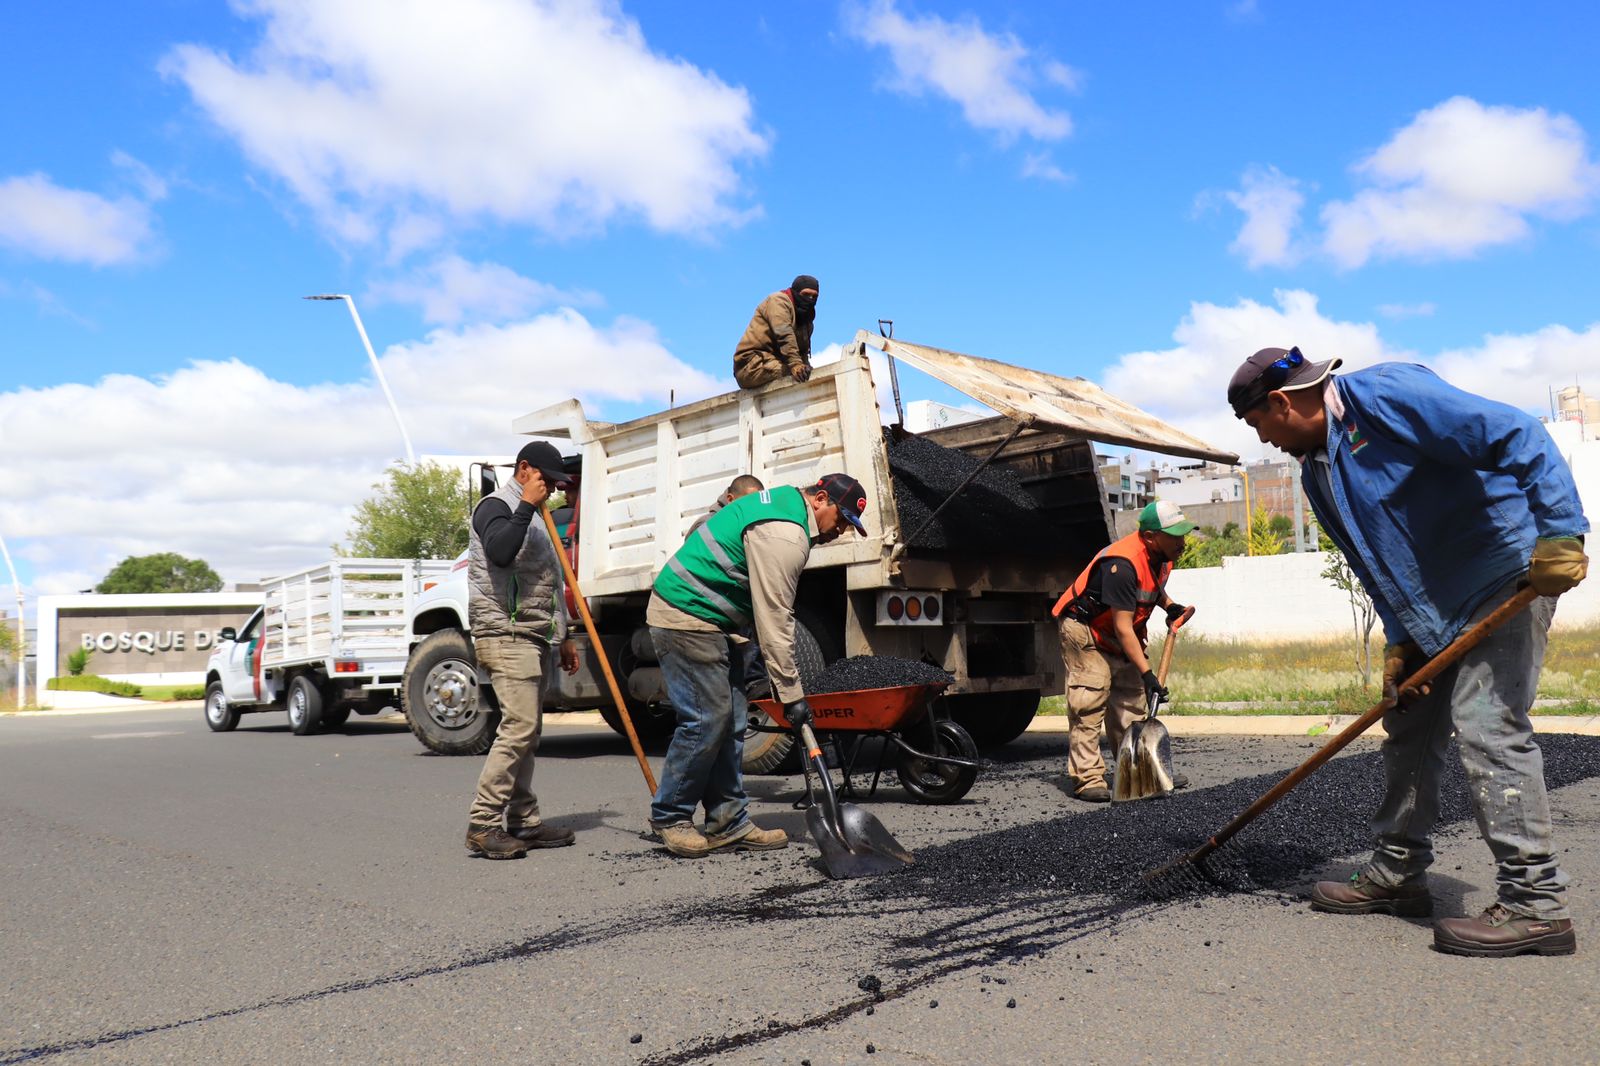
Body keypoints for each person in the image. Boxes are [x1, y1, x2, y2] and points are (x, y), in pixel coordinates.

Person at [1227, 345, 1589, 957]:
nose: (1262, 439)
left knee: (1487, 725)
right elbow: (1372, 562)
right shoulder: (1318, 470)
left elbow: (1516, 433)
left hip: (1502, 577)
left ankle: (1536, 906)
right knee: (1410, 728)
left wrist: (1560, 530)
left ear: (1281, 402)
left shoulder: (1386, 395)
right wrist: (1400, 642)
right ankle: (1398, 875)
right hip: (1429, 610)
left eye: (1255, 422)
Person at [645, 473, 867, 857]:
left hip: (714, 621)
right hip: (686, 615)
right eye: (843, 519)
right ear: (821, 500)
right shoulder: (786, 534)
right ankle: (670, 816)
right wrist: (792, 696)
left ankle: (728, 822)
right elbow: (775, 620)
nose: (842, 531)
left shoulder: (785, 509)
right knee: (706, 720)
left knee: (731, 722)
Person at [464, 441, 582, 859]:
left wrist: (563, 635)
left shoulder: (536, 514)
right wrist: (527, 506)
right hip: (504, 633)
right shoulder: (496, 506)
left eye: (555, 484)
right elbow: (500, 552)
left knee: (528, 733)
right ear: (525, 468)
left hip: (533, 635)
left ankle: (523, 822)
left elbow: (549, 581)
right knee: (518, 729)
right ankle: (483, 824)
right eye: (546, 480)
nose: (551, 489)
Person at [1052, 500, 1194, 803]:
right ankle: (1087, 778)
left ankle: (1136, 771)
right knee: (1089, 702)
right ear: (1151, 536)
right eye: (1175, 535)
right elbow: (1122, 627)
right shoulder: (1122, 564)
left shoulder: (1161, 556)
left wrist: (1169, 606)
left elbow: (1151, 586)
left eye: (1183, 534)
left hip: (1117, 632)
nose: (1182, 541)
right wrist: (1148, 674)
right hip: (1086, 630)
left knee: (1130, 703)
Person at [734, 275, 819, 389]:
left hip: (777, 362)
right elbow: (784, 334)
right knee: (795, 373)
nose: (810, 299)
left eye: (814, 296)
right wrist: (796, 365)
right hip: (751, 365)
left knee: (806, 375)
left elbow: (803, 354)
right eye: (806, 294)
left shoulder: (806, 321)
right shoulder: (778, 301)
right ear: (795, 292)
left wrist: (806, 370)